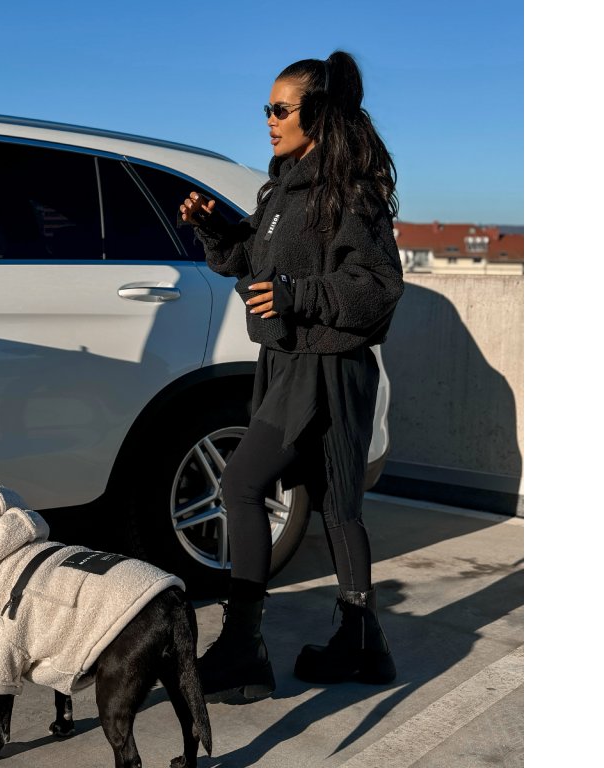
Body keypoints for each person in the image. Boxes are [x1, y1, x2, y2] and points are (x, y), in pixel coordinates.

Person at [178, 50, 405, 703]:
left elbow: (379, 287)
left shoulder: (350, 194)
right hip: (289, 361)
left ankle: (243, 649)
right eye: (267, 109)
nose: (270, 120)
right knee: (335, 504)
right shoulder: (283, 188)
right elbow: (251, 259)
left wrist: (298, 295)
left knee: (242, 484)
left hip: (326, 366)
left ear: (319, 115)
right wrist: (213, 227)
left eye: (281, 109)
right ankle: (364, 644)